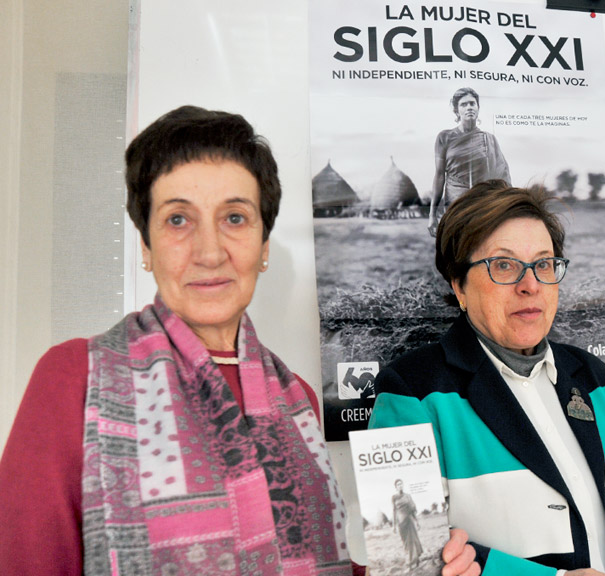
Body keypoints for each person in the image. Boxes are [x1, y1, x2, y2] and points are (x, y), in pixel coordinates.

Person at [0, 105, 479, 576]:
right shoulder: (77, 381)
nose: (209, 253)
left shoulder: (296, 401)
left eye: (234, 218)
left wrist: (402, 571)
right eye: (177, 220)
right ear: (145, 246)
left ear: (264, 245)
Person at [370, 180, 605, 576]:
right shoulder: (409, 392)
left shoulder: (594, 377)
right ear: (458, 285)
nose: (530, 285)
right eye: (504, 265)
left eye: (544, 264)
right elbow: (402, 553)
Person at [427, 87, 511, 236]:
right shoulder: (444, 137)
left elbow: (502, 174)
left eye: (472, 103)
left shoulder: (489, 139)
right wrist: (432, 214)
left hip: (483, 203)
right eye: (464, 104)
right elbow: (440, 175)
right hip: (455, 202)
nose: (469, 107)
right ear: (456, 111)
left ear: (478, 108)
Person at [392, 479, 424, 567]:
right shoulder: (394, 497)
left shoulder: (408, 496)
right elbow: (394, 511)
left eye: (401, 484)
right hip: (401, 523)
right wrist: (393, 525)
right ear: (395, 487)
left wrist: (417, 522)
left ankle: (413, 561)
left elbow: (412, 510)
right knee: (405, 542)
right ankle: (412, 560)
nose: (400, 486)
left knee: (413, 540)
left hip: (409, 521)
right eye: (398, 485)